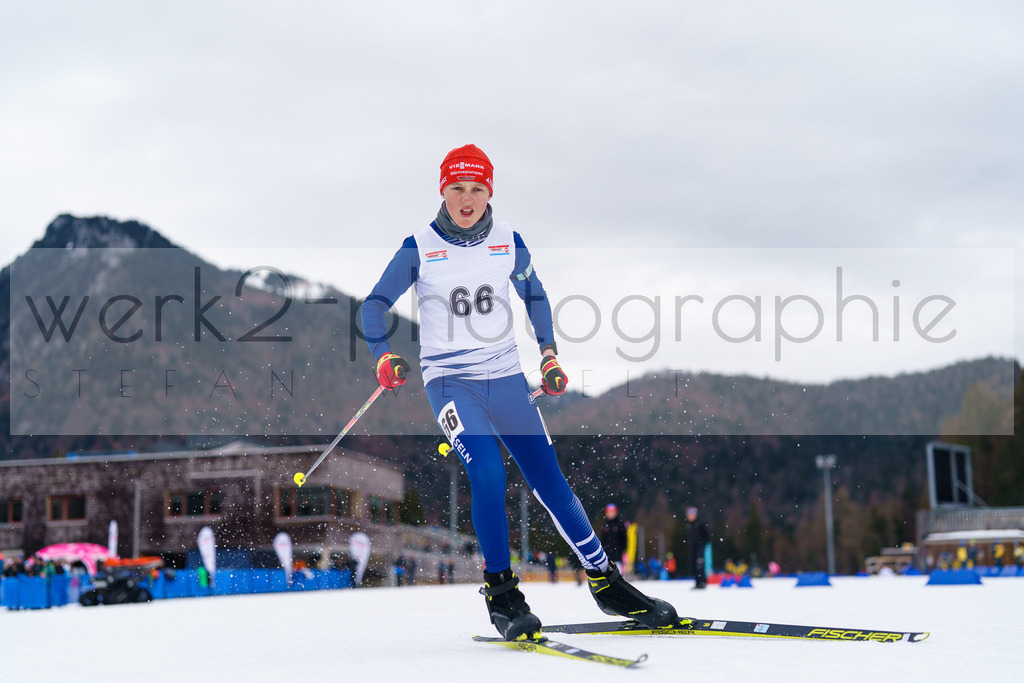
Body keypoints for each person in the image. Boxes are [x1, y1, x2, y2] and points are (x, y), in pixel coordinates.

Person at [361, 144, 679, 641]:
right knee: (487, 472)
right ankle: (502, 593)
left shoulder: (509, 241)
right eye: (457, 188)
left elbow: (535, 296)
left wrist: (548, 354)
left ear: (490, 192)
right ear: (442, 191)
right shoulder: (417, 247)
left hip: (507, 379)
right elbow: (373, 305)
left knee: (550, 482)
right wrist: (382, 352)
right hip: (450, 383)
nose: (467, 199)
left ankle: (605, 580)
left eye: (477, 189)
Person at [685, 506, 710, 589]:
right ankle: (697, 583)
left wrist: (702, 546)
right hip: (692, 549)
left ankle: (702, 582)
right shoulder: (689, 525)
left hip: (700, 548)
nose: (689, 517)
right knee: (693, 566)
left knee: (699, 565)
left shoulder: (700, 524)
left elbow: (706, 536)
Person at [601, 503, 628, 568]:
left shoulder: (620, 524)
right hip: (607, 556)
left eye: (612, 512)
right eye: (609, 512)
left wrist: (624, 551)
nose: (611, 514)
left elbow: (624, 539)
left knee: (617, 573)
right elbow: (603, 540)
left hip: (617, 555)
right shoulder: (605, 525)